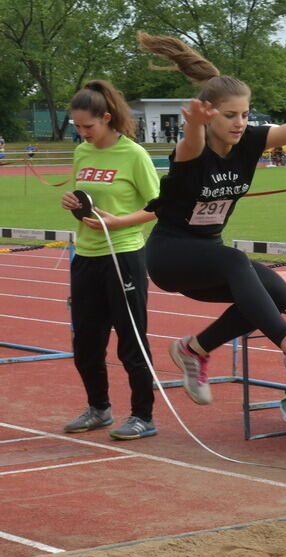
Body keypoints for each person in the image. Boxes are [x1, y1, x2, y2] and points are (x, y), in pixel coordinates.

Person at [136, 31, 286, 404]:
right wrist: (193, 124)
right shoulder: (193, 151)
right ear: (209, 114)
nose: (239, 123)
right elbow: (190, 144)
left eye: (245, 114)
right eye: (230, 115)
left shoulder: (249, 141)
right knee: (235, 260)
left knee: (276, 291)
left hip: (208, 256)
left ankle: (194, 349)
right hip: (170, 256)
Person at [60, 80, 161, 440]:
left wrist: (120, 221)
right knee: (86, 341)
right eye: (77, 127)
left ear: (106, 117)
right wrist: (72, 202)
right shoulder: (82, 153)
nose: (83, 133)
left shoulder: (133, 154)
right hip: (86, 254)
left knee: (130, 340)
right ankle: (99, 408)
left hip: (124, 255)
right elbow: (82, 195)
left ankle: (142, 415)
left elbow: (159, 207)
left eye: (89, 126)